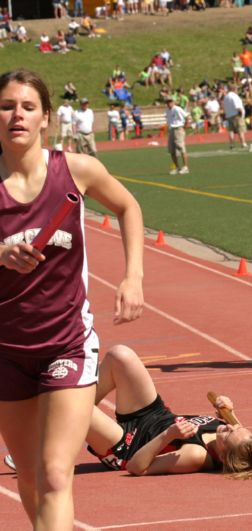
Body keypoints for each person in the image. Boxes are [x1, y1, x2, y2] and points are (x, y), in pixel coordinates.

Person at [0, 68, 144, 530]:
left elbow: (128, 206)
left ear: (46, 117)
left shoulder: (74, 169)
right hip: (7, 350)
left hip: (67, 343)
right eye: (6, 106)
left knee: (56, 473)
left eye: (27, 106)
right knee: (29, 478)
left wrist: (133, 276)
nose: (16, 115)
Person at [83, 344, 252, 477]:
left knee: (75, 405)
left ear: (223, 456)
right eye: (237, 426)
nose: (230, 426)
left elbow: (137, 468)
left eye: (229, 433)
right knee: (121, 356)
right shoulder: (233, 433)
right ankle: (62, 420)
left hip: (126, 446)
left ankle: (58, 418)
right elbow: (237, 433)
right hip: (150, 414)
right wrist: (226, 408)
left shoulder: (196, 456)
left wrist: (168, 436)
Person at [165, 96, 190, 174]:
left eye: (170, 102)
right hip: (171, 129)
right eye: (168, 102)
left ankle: (185, 167)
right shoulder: (167, 111)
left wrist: (185, 126)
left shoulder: (177, 109)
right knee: (172, 150)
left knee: (181, 147)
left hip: (178, 128)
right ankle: (177, 167)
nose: (169, 103)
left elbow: (186, 116)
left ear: (173, 102)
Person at [221, 84, 248, 150]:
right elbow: (238, 106)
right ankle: (243, 143)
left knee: (231, 131)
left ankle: (232, 144)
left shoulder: (226, 97)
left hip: (229, 115)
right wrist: (242, 114)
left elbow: (224, 107)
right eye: (236, 89)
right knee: (240, 130)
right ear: (233, 89)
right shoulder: (234, 96)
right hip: (236, 115)